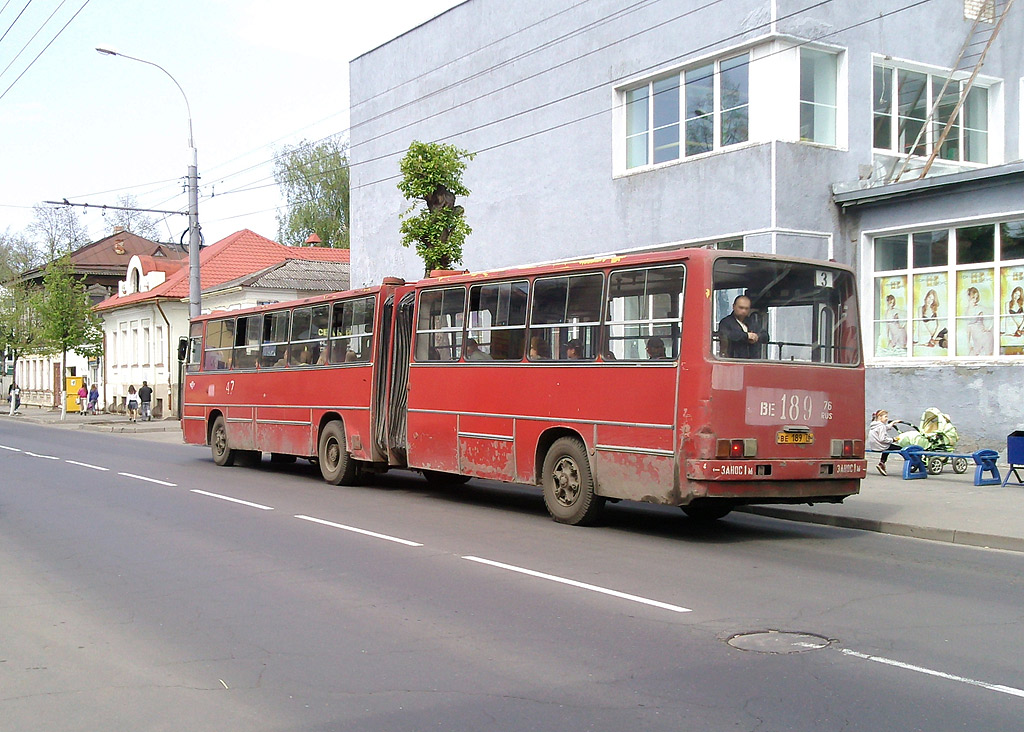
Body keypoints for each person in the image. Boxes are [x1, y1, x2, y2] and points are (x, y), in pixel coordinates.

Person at [867, 409, 900, 475]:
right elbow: (882, 439)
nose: (887, 419)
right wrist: (893, 439)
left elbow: (885, 427)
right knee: (902, 449)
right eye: (885, 417)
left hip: (875, 446)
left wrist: (893, 423)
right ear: (879, 417)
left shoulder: (874, 425)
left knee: (888, 447)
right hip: (881, 446)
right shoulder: (881, 426)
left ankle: (882, 463)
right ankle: (881, 463)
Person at [965, 286, 993, 356]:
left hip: (983, 336)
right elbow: (968, 328)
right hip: (975, 338)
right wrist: (968, 342)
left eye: (976, 297)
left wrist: (989, 328)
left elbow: (995, 314)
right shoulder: (966, 310)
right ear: (969, 297)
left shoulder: (979, 308)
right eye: (973, 297)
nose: (975, 300)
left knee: (987, 359)